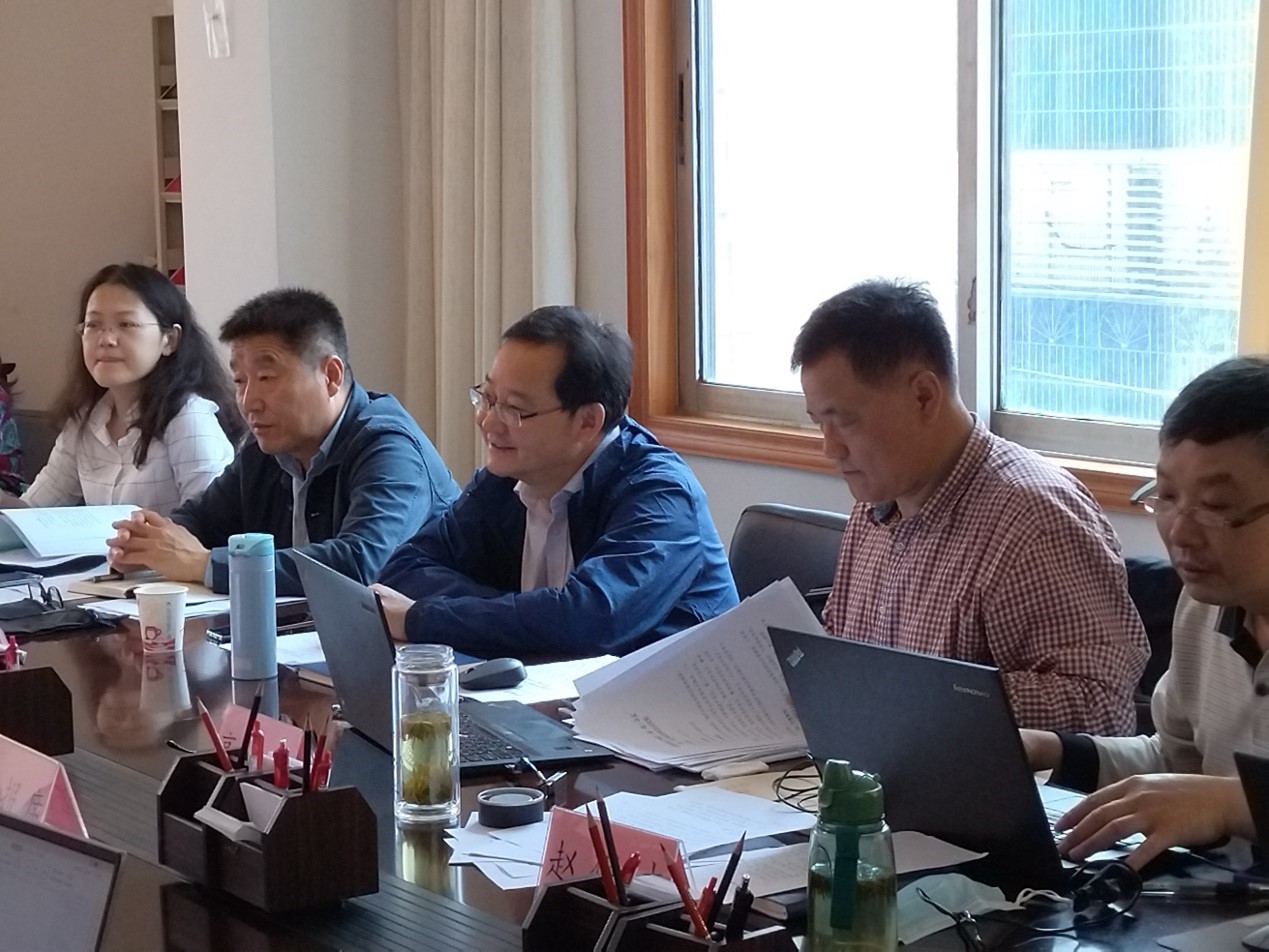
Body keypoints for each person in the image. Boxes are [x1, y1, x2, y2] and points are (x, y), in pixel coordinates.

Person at [793, 278, 1147, 735]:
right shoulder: (876, 505)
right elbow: (846, 655)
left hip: (975, 780)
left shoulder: (1032, 519)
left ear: (924, 396)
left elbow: (1103, 710)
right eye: (819, 423)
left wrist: (935, 698)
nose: (830, 448)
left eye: (844, 421)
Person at [373, 305, 738, 660]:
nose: (488, 422)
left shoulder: (660, 495)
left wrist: (424, 618)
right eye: (488, 398)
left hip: (672, 697)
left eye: (515, 410)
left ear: (587, 422)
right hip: (546, 693)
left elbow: (591, 620)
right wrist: (534, 617)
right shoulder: (505, 479)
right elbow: (404, 570)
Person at [1022, 356, 1269, 869]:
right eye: (1168, 496)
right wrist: (1055, 751)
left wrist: (1233, 803)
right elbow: (1175, 765)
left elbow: (1208, 794)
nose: (1180, 532)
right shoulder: (1203, 610)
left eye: (1216, 505)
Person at [106, 287, 461, 596]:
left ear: (331, 375)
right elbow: (202, 519)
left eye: (266, 377)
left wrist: (203, 564)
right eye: (240, 381)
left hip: (418, 646)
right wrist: (147, 544)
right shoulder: (264, 450)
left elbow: (360, 563)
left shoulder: (389, 447)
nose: (248, 402)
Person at [4, 264, 242, 515]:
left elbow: (215, 523)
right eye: (93, 325)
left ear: (169, 340)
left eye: (126, 324)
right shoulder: (85, 420)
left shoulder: (188, 418)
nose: (106, 339)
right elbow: (31, 511)